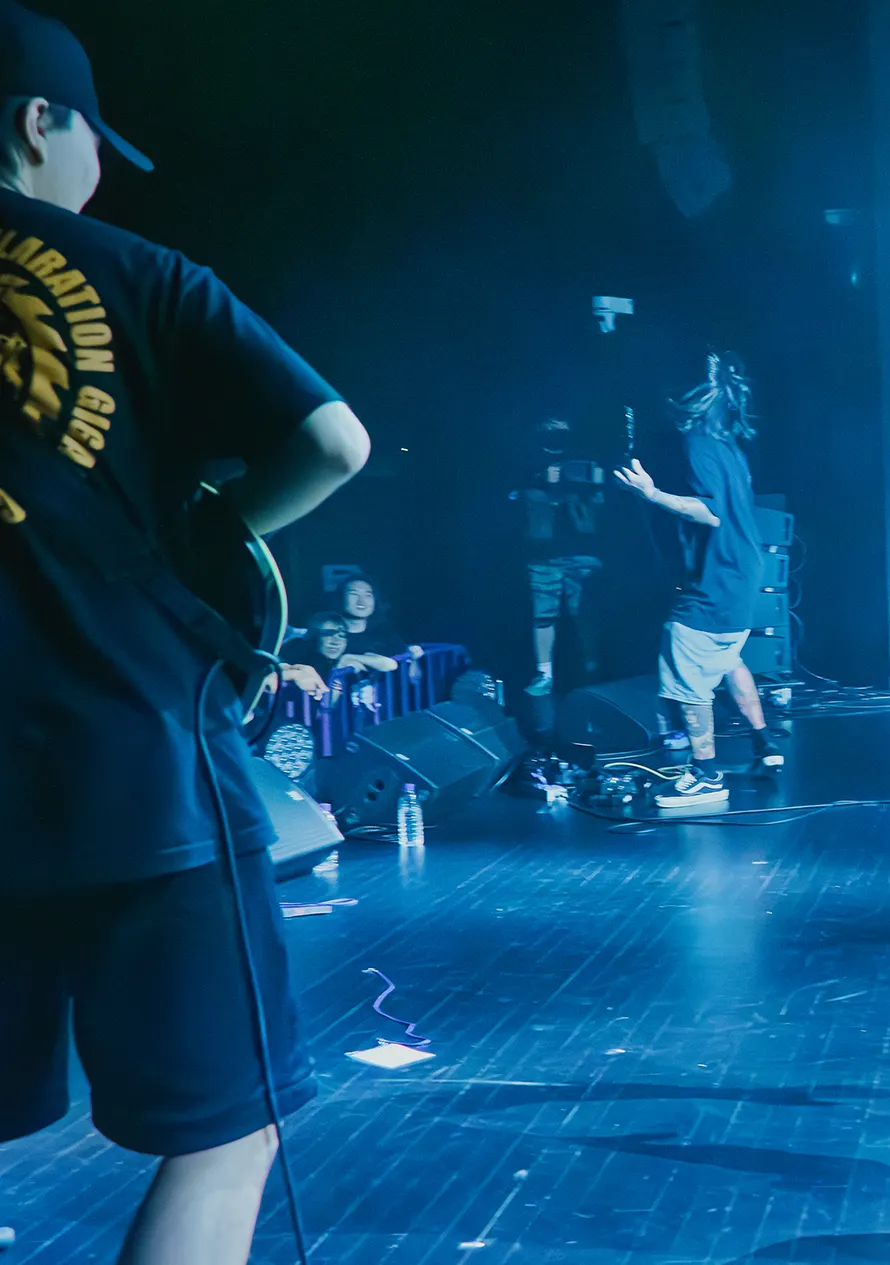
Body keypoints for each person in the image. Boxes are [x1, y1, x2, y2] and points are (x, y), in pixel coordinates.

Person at [0, 4, 370, 1262]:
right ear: (38, 121)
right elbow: (334, 442)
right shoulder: (145, 277)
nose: (95, 172)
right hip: (138, 776)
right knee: (225, 1130)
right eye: (92, 143)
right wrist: (212, 530)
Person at [616, 352, 782, 805]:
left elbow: (709, 512)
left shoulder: (698, 446)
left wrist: (652, 494)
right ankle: (765, 746)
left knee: (685, 655)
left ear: (688, 400)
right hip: (742, 572)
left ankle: (706, 774)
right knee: (728, 658)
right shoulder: (730, 447)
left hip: (720, 577)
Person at [518, 417, 603, 697]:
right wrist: (545, 485)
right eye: (550, 429)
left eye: (562, 428)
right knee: (544, 615)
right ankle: (545, 673)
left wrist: (591, 487)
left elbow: (600, 500)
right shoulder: (528, 461)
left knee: (584, 613)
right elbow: (522, 497)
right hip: (544, 552)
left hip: (582, 549)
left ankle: (592, 667)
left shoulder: (584, 458)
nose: (556, 434)